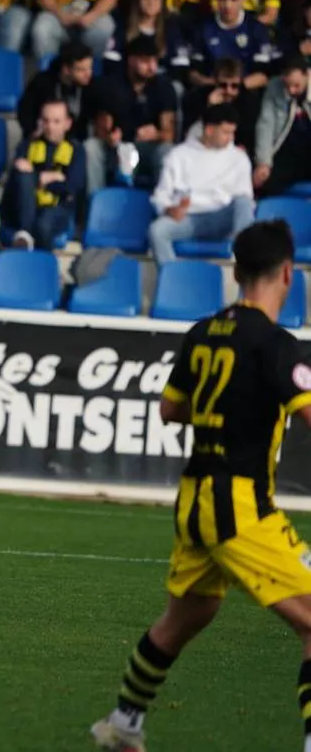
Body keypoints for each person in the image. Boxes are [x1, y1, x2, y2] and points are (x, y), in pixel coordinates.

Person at [88, 218, 311, 752]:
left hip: (194, 501)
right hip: (239, 504)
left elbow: (170, 410)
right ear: (288, 273)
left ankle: (124, 722)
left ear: (236, 271)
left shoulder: (202, 331)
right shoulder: (278, 345)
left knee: (186, 616)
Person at [147, 104, 254, 265]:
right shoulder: (178, 155)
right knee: (157, 230)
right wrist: (168, 209)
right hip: (188, 218)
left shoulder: (239, 158)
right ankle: (172, 282)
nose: (231, 138)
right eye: (226, 132)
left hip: (222, 218)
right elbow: (161, 195)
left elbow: (244, 202)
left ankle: (246, 267)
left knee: (244, 202)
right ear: (209, 130)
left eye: (232, 132)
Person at [94, 35, 178, 191]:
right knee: (92, 147)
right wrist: (110, 137)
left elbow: (169, 135)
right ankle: (92, 203)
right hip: (117, 148)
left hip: (148, 149)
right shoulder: (110, 86)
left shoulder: (164, 87)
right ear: (131, 61)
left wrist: (157, 135)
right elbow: (101, 127)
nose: (152, 67)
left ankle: (165, 205)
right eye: (146, 61)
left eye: (154, 61)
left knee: (167, 151)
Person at [0, 99, 84, 250]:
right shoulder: (27, 145)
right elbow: (17, 182)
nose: (50, 126)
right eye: (46, 121)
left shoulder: (76, 150)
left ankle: (29, 246)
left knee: (43, 226)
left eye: (56, 121)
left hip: (58, 208)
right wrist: (45, 177)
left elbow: (71, 188)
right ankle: (25, 236)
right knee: (23, 176)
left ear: (67, 123)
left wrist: (37, 178)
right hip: (26, 208)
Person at [188, 0, 277, 91]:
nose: (227, 5)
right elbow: (193, 73)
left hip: (246, 89)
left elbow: (264, 75)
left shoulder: (256, 28)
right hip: (211, 88)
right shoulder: (202, 27)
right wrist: (216, 86)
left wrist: (234, 87)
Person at [18, 40, 102, 148]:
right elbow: (25, 112)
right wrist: (34, 131)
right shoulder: (42, 82)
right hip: (43, 140)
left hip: (76, 144)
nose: (88, 74)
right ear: (66, 69)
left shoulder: (91, 86)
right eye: (81, 69)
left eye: (90, 68)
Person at [106, 0, 190, 78]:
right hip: (128, 81)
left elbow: (181, 65)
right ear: (138, 0)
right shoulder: (123, 26)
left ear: (162, 3)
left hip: (162, 82)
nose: (151, 3)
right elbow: (111, 60)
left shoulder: (171, 29)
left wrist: (156, 80)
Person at [253, 56, 311, 198]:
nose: (291, 90)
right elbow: (266, 125)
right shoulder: (274, 87)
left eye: (296, 85)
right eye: (287, 85)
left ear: (307, 75)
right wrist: (263, 162)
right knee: (262, 184)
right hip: (285, 152)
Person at [183, 57, 258, 151]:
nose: (228, 91)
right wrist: (210, 109)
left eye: (234, 86)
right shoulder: (197, 97)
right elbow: (190, 137)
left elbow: (248, 138)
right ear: (215, 82)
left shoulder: (248, 101)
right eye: (223, 85)